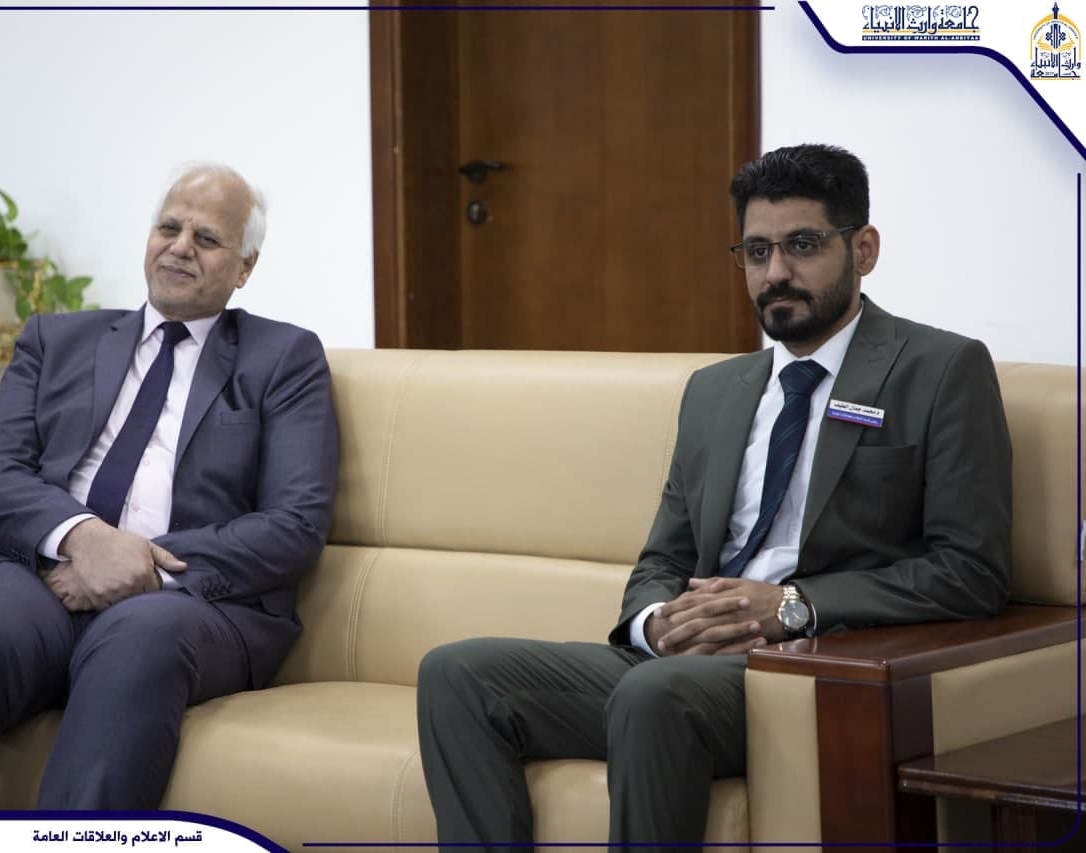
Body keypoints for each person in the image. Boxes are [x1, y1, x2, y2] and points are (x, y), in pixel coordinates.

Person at [415, 143, 1012, 846]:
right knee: (457, 673)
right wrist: (658, 624)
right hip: (687, 664)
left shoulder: (940, 370)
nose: (776, 273)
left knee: (653, 693)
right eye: (757, 252)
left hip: (814, 667)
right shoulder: (715, 391)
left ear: (864, 249)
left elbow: (970, 570)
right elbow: (662, 558)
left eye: (803, 245)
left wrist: (793, 605)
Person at [0, 164, 339, 810]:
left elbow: (294, 522)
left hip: (183, 604)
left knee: (137, 639)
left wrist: (138, 568)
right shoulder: (56, 340)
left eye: (206, 238)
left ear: (245, 267)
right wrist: (84, 540)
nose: (180, 247)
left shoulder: (283, 358)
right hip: (42, 577)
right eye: (169, 227)